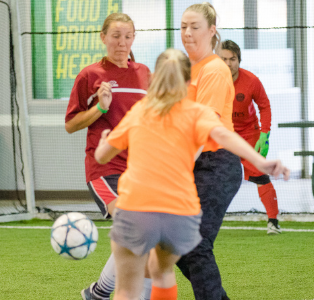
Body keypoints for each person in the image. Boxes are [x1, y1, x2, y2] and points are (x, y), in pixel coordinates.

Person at [95, 48, 289, 300]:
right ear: (188, 82)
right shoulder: (196, 113)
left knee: (126, 289)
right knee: (162, 271)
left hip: (137, 208)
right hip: (179, 214)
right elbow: (223, 135)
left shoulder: (140, 112)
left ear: (152, 80)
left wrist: (102, 142)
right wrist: (259, 161)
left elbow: (102, 157)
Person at [63, 13, 151, 300]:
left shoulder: (145, 74)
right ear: (103, 37)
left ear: (134, 38)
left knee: (144, 234)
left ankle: (98, 293)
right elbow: (70, 125)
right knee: (135, 226)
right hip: (104, 168)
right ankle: (104, 292)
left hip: (138, 170)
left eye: (127, 36)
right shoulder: (90, 76)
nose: (121, 43)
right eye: (115, 36)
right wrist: (100, 108)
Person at [176, 3, 242, 300]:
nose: (187, 33)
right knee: (175, 244)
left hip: (217, 164)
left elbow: (206, 126)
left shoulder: (214, 69)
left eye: (195, 27)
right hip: (195, 164)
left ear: (211, 31)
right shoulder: (186, 69)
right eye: (183, 27)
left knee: (194, 243)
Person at [216, 40, 281, 234]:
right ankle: (206, 220)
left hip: (249, 135)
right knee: (213, 177)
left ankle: (273, 222)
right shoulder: (212, 80)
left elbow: (265, 106)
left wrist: (265, 134)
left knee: (261, 175)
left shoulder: (251, 81)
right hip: (222, 134)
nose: (228, 64)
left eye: (232, 59)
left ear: (239, 60)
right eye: (224, 59)